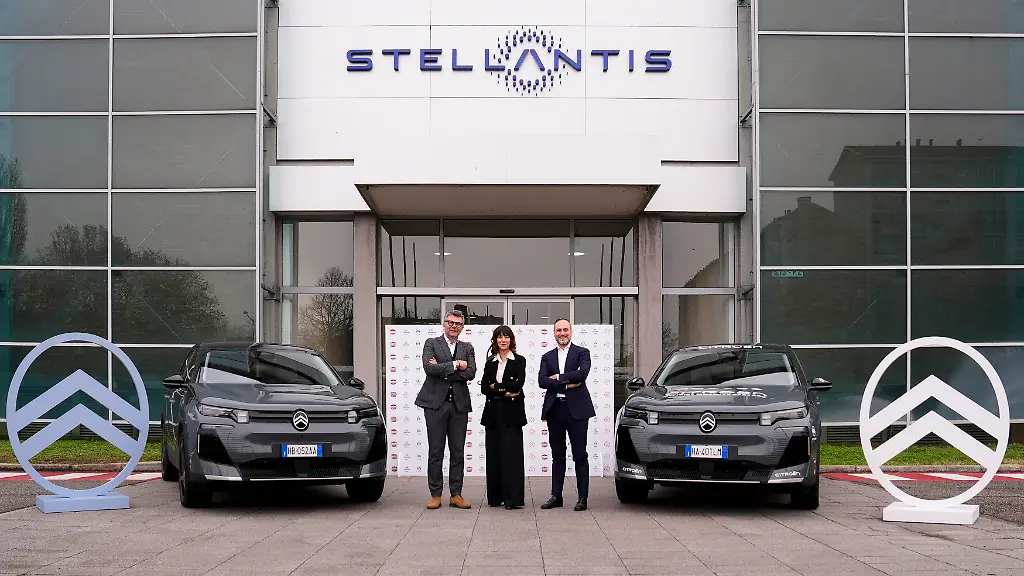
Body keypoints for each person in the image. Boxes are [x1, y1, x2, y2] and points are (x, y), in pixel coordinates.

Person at [415, 309, 477, 510]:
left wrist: (442, 369)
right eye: (451, 322)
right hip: (435, 405)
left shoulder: (467, 347)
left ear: (462, 327)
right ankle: (435, 494)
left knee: (458, 452)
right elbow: (429, 368)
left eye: (458, 324)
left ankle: (456, 494)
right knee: (436, 451)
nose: (454, 326)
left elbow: (471, 373)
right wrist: (456, 364)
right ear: (444, 324)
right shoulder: (431, 343)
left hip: (459, 406)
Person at [537, 318, 595, 511]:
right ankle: (556, 496)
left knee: (580, 455)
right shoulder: (547, 356)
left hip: (577, 410)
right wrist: (567, 384)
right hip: (555, 409)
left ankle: (582, 498)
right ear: (554, 333)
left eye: (565, 330)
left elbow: (582, 374)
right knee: (557, 455)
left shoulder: (582, 352)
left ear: (571, 331)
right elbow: (542, 381)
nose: (562, 333)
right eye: (558, 330)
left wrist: (559, 378)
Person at [479, 325, 527, 510]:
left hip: (512, 414)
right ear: (495, 340)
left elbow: (518, 385)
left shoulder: (519, 361)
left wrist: (496, 387)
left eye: (506, 337)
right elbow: (484, 387)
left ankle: (512, 499)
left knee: (512, 456)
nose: (503, 340)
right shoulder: (490, 362)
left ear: (511, 340)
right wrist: (502, 391)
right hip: (493, 414)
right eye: (500, 337)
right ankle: (495, 498)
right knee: (494, 455)